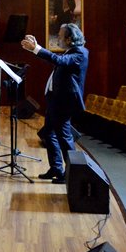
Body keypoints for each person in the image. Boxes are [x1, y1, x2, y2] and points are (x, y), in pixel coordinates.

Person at [21, 23, 88, 183]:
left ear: (69, 38)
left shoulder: (80, 53)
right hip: (56, 101)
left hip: (64, 103)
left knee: (64, 138)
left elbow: (58, 60)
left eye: (60, 34)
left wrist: (36, 48)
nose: (57, 37)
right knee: (49, 134)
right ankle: (56, 168)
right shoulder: (72, 51)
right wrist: (37, 47)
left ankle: (72, 174)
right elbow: (57, 61)